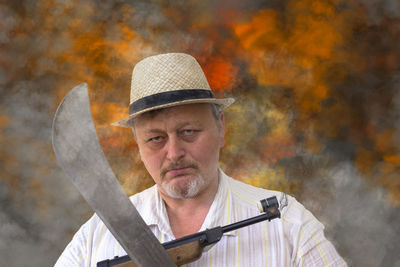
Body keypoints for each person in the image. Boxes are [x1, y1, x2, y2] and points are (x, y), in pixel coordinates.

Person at [55, 53, 347, 266]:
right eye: (155, 139)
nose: (174, 153)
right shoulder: (97, 235)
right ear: (138, 145)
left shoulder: (288, 223)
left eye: (188, 132)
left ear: (221, 128)